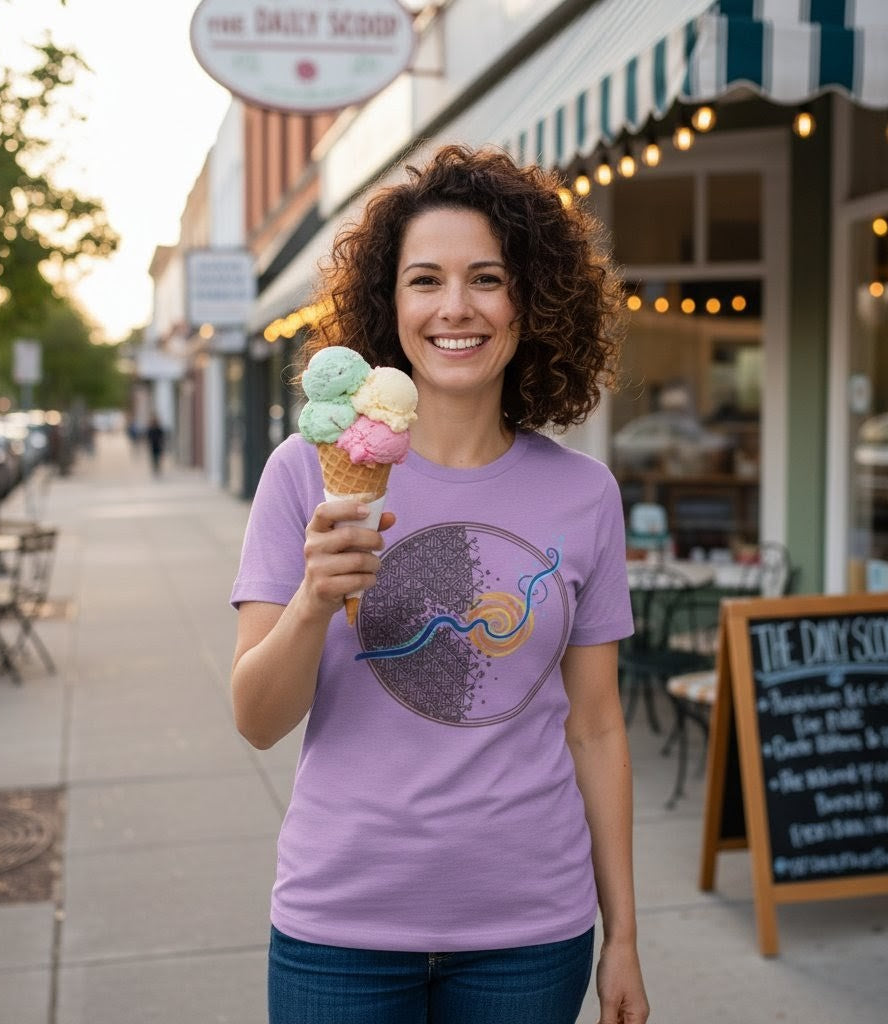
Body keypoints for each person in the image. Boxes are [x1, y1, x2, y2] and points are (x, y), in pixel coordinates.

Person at [230, 144, 649, 1024]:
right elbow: (258, 720)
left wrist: (625, 938)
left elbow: (600, 729)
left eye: (486, 278)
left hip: (531, 936)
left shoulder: (586, 493)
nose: (456, 308)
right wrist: (312, 600)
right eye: (425, 280)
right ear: (390, 304)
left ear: (530, 302)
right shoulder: (304, 473)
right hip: (339, 930)